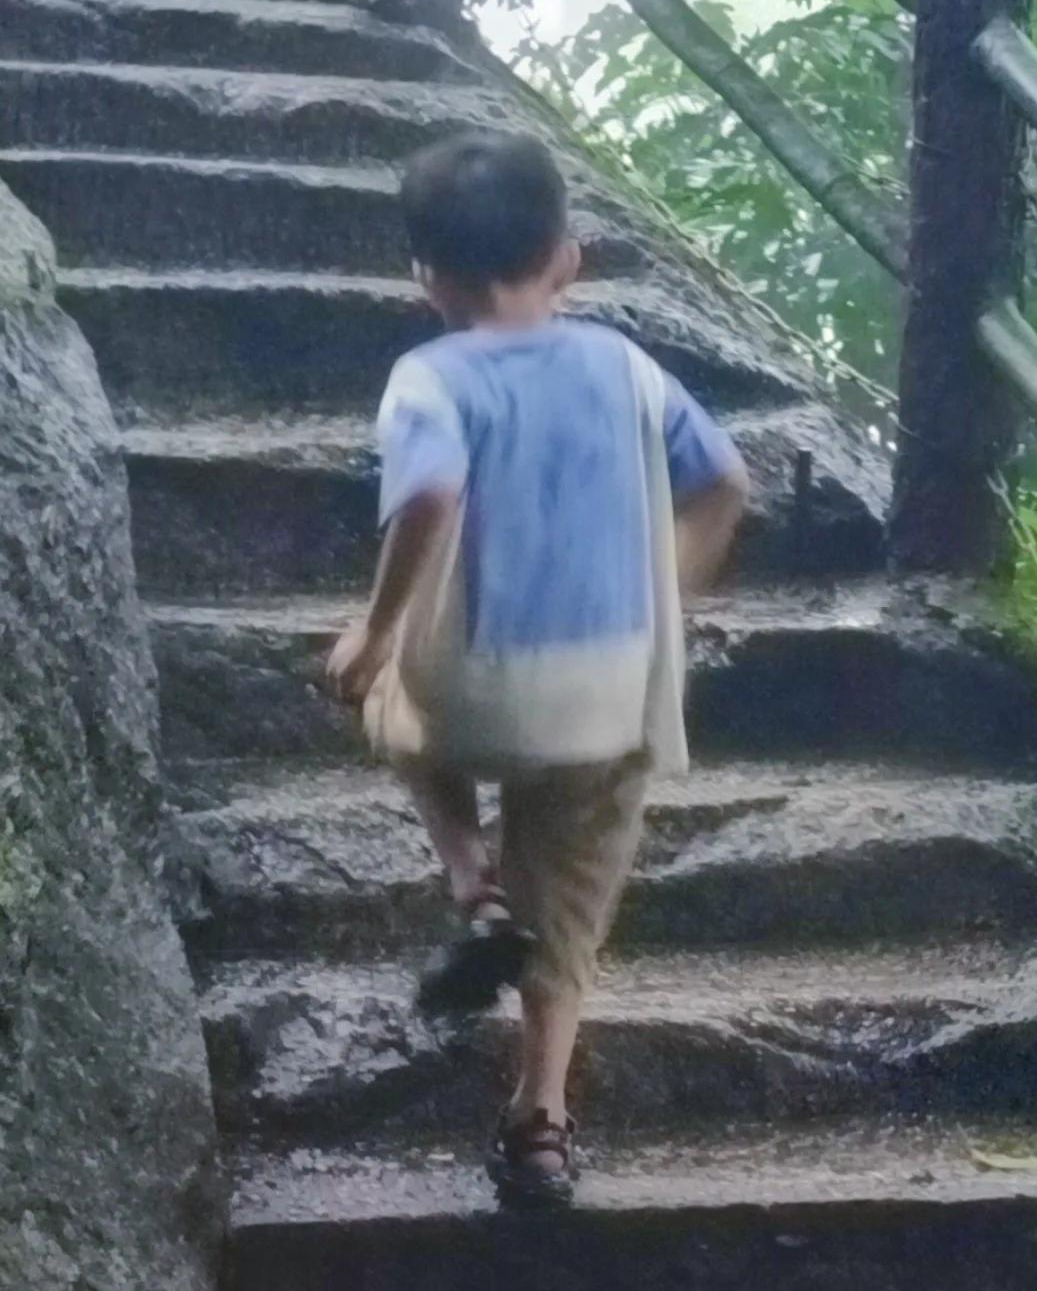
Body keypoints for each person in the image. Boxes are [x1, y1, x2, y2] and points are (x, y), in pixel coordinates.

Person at [321, 128, 749, 1209]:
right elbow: (726, 484)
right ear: (569, 255)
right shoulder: (626, 365)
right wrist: (668, 605)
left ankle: (470, 873)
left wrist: (373, 636)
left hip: (472, 688)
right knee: (571, 907)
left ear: (427, 278)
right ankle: (541, 1122)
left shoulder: (426, 376)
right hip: (606, 695)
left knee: (390, 702)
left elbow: (425, 496)